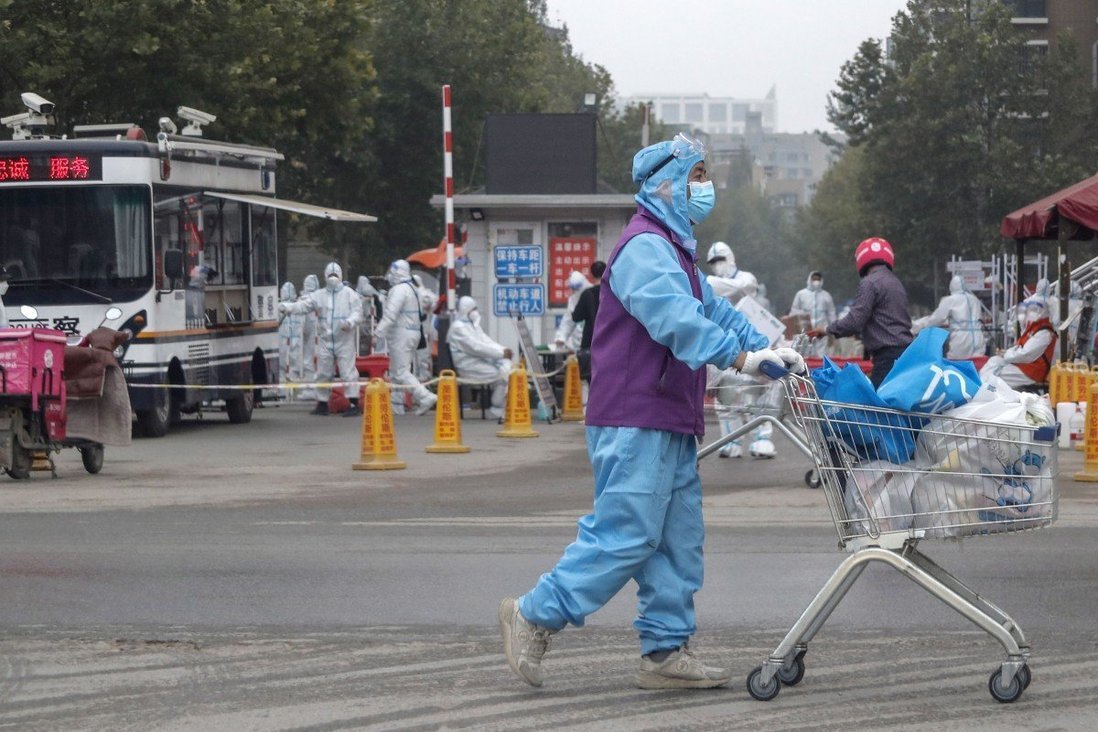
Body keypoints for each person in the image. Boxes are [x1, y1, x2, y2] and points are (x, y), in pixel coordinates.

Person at [498, 133, 804, 691]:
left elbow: (715, 312)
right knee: (628, 533)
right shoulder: (644, 246)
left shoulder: (675, 250)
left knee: (676, 541)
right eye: (697, 176)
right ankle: (534, 613)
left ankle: (664, 650)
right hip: (634, 415)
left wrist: (768, 347)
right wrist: (741, 358)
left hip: (669, 415)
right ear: (667, 182)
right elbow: (675, 318)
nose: (705, 187)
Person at [809, 237, 913, 388]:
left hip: (887, 357)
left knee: (879, 400)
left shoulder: (869, 283)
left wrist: (826, 330)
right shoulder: (896, 283)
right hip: (905, 353)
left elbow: (855, 321)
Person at [706, 246, 776, 458]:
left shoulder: (746, 278)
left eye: (720, 259)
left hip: (748, 346)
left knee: (753, 396)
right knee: (725, 399)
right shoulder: (710, 285)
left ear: (730, 258)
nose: (717, 264)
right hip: (722, 347)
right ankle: (731, 442)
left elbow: (743, 287)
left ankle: (762, 440)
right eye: (713, 261)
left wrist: (714, 284)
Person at [281, 262, 363, 416]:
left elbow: (358, 313)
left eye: (335, 275)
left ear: (340, 276)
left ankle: (354, 404)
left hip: (344, 340)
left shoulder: (349, 294)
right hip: (326, 341)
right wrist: (287, 307)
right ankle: (322, 403)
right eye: (330, 275)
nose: (333, 277)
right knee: (323, 373)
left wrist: (350, 322)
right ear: (325, 276)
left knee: (348, 372)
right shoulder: (319, 295)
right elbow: (303, 306)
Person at [374, 259, 437, 416]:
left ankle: (425, 396)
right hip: (413, 333)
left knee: (401, 372)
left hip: (401, 335)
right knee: (396, 371)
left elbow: (390, 315)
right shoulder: (413, 288)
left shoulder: (399, 290)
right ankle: (396, 406)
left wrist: (377, 333)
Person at [447, 296, 513, 419]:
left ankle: (503, 408)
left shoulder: (472, 325)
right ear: (466, 310)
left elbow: (486, 341)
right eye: (474, 309)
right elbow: (476, 347)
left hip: (478, 362)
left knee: (507, 369)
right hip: (467, 366)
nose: (476, 312)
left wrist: (503, 350)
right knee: (502, 374)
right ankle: (497, 408)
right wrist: (500, 354)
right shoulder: (458, 328)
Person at [979, 296, 1056, 388]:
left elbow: (1026, 354)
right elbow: (1021, 346)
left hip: (1033, 370)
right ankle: (981, 387)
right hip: (1025, 365)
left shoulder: (1044, 333)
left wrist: (1006, 355)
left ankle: (986, 390)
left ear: (1042, 311)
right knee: (994, 361)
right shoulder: (1035, 327)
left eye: (1034, 310)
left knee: (998, 374)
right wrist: (1005, 352)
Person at [912, 275, 986, 359]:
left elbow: (937, 319)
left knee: (955, 364)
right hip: (978, 339)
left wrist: (918, 327)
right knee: (977, 364)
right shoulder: (975, 300)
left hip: (961, 340)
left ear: (951, 287)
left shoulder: (950, 300)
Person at [569, 260, 606, 383]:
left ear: (591, 275)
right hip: (609, 341)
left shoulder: (587, 294)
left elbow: (576, 317)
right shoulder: (612, 294)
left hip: (590, 342)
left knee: (592, 381)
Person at [789, 271, 836, 358]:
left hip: (821, 328)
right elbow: (794, 311)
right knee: (805, 351)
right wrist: (803, 314)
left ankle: (820, 365)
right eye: (814, 279)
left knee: (822, 353)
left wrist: (833, 328)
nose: (816, 281)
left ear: (821, 280)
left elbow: (831, 313)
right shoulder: (801, 294)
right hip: (805, 328)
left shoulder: (826, 295)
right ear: (809, 279)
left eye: (818, 279)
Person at [277, 281, 306, 391]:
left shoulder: (280, 307)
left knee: (286, 363)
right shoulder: (296, 307)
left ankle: (285, 389)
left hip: (287, 340)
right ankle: (290, 388)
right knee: (290, 362)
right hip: (292, 340)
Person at [553, 270, 591, 351]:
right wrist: (561, 337)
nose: (573, 291)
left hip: (592, 344)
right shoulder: (573, 299)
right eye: (572, 289)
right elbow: (568, 320)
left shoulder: (594, 295)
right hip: (578, 346)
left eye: (576, 289)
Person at [298, 274, 320, 401]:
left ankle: (310, 389)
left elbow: (303, 326)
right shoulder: (322, 298)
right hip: (321, 338)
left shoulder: (303, 301)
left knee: (308, 363)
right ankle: (320, 389)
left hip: (309, 339)